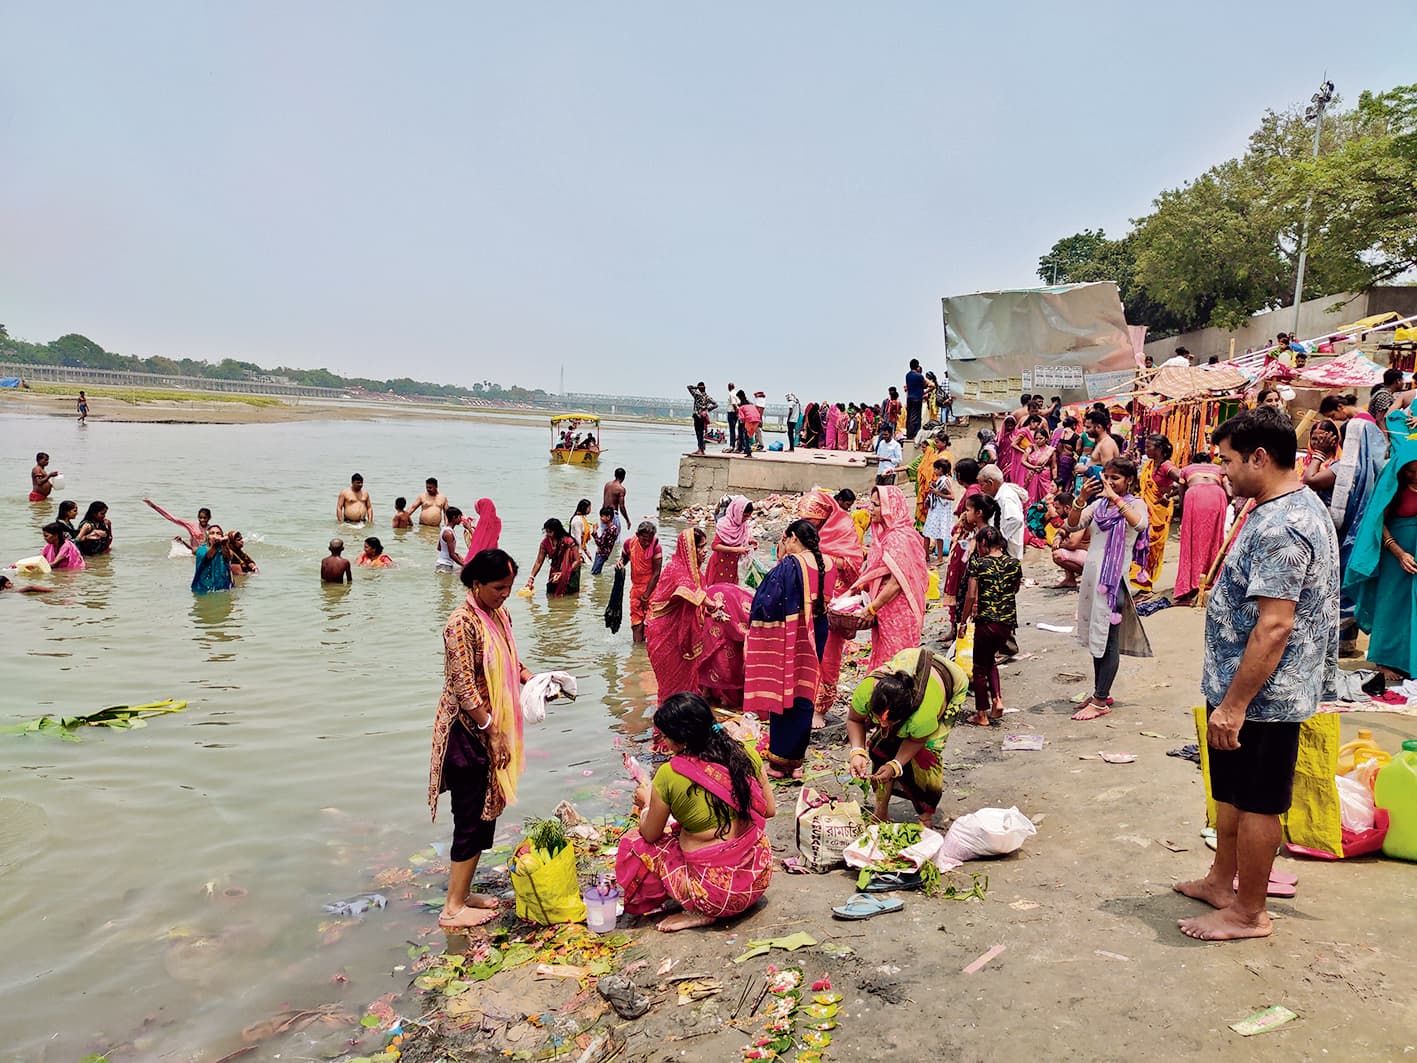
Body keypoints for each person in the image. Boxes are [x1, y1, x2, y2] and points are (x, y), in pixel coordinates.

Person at [1176, 408, 1338, 942]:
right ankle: (1222, 882)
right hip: (1240, 689)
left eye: (1227, 461)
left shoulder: (1286, 525)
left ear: (1259, 458)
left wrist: (1235, 704)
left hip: (1266, 696)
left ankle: (1249, 911)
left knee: (1257, 802)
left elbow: (1274, 627)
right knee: (1231, 794)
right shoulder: (1276, 507)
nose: (1221, 472)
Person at [429, 548, 534, 930]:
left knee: (487, 812)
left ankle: (464, 891)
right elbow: (464, 687)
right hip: (467, 731)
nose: (505, 594)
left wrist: (534, 680)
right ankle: (452, 908)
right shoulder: (461, 623)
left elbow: (511, 660)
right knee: (469, 813)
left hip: (494, 728)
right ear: (477, 584)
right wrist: (490, 730)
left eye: (508, 587)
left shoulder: (499, 615)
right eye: (498, 588)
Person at [617, 692, 775, 932]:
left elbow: (649, 834)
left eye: (666, 736)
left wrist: (646, 804)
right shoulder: (746, 754)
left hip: (716, 896)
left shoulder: (670, 774)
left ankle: (698, 908)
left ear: (681, 739)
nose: (665, 743)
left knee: (633, 843)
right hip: (757, 877)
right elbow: (770, 809)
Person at [744, 520, 834, 778]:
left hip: (793, 633)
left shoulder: (792, 565)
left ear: (793, 538)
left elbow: (767, 601)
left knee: (784, 691)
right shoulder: (827, 563)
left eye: (785, 540)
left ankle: (777, 763)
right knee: (806, 690)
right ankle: (796, 762)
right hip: (818, 630)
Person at [1067, 459, 1151, 720]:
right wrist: (1080, 498)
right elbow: (1073, 525)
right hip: (1093, 578)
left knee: (1108, 640)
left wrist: (1116, 498)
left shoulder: (1134, 504)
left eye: (1116, 477)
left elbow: (1140, 525)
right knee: (1097, 637)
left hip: (1114, 582)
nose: (1110, 481)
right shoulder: (1099, 505)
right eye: (1107, 476)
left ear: (1129, 480)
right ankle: (1099, 692)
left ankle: (1101, 701)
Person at [847, 648, 968, 826]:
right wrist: (857, 752)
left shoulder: (923, 715)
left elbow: (918, 741)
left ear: (905, 715)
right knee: (882, 748)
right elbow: (854, 720)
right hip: (909, 659)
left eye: (889, 721)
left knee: (926, 758)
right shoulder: (867, 691)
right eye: (877, 718)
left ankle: (925, 819)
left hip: (950, 680)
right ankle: (880, 812)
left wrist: (896, 764)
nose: (882, 725)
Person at [1344, 398, 1417, 686]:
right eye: (1410, 469)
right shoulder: (1394, 485)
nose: (1415, 473)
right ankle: (1387, 660)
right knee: (1392, 604)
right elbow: (1378, 522)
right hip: (1396, 552)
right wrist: (1398, 552)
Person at [1320, 393, 1388, 654]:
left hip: (1350, 529)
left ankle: (1339, 641)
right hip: (1362, 529)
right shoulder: (1375, 466)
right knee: (1349, 582)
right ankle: (1346, 642)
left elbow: (1313, 481)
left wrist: (1317, 454)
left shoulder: (1346, 468)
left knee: (1343, 582)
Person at [796, 489, 868, 727]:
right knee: (801, 652)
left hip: (835, 601)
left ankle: (820, 707)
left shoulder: (843, 527)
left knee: (828, 656)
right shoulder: (803, 533)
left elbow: (854, 563)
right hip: (805, 600)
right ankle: (799, 700)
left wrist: (821, 556)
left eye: (811, 521)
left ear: (823, 515)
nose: (808, 525)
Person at [848, 485, 928, 671]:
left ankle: (892, 699)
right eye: (871, 504)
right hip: (886, 610)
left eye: (876, 505)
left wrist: (871, 609)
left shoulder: (897, 538)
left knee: (895, 664)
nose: (871, 509)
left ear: (890, 508)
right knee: (885, 657)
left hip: (898, 611)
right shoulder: (888, 535)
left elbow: (895, 585)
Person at [960, 526, 1023, 726]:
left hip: (986, 622)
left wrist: (963, 621)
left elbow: (970, 595)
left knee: (979, 667)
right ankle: (997, 700)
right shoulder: (1013, 563)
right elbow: (1015, 588)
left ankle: (981, 713)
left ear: (984, 544)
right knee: (990, 660)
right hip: (1006, 623)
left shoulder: (978, 563)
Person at [645, 528, 708, 698]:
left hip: (681, 635)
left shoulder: (697, 574)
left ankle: (685, 721)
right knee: (671, 689)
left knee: (687, 684)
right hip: (665, 635)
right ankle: (666, 723)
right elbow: (688, 589)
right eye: (701, 547)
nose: (705, 551)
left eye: (705, 546)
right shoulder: (676, 568)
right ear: (689, 550)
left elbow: (696, 604)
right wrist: (712, 604)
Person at [1172, 454, 1229, 603]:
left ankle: (1189, 583)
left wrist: (1184, 510)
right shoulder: (1218, 469)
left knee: (1191, 540)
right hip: (1218, 495)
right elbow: (1229, 491)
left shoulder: (1186, 469)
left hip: (1195, 495)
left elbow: (1181, 492)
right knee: (1215, 540)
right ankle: (1211, 578)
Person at [1131, 435, 1181, 593]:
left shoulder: (1167, 466)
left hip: (1159, 512)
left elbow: (1182, 481)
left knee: (1152, 548)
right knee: (1141, 545)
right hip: (1145, 511)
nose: (1146, 450)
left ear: (1159, 449)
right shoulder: (1151, 464)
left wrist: (1169, 496)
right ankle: (1142, 582)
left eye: (1149, 447)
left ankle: (1147, 585)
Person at [618, 520, 664, 643]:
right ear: (637, 535)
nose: (647, 543)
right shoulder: (630, 543)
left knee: (651, 624)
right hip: (636, 589)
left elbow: (656, 574)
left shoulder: (656, 547)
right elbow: (624, 558)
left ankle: (648, 655)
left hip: (652, 589)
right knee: (636, 624)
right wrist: (621, 563)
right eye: (644, 539)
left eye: (650, 540)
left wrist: (646, 596)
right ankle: (637, 655)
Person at [977, 465, 1025, 560]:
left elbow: (1016, 520)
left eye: (982, 485)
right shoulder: (1001, 495)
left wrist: (999, 537)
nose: (981, 489)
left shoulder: (1006, 497)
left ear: (990, 483)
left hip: (1007, 550)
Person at [525, 518, 581, 596]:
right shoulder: (545, 543)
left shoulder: (569, 541)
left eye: (550, 532)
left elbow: (578, 560)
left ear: (557, 531)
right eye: (546, 531)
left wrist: (564, 573)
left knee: (570, 597)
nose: (547, 534)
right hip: (555, 572)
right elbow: (538, 562)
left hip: (571, 572)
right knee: (551, 595)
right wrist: (531, 578)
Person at [706, 495, 753, 585]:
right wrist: (737, 550)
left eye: (748, 516)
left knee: (730, 592)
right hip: (719, 565)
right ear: (737, 512)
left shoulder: (743, 526)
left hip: (732, 566)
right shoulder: (724, 525)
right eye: (745, 516)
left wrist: (750, 541)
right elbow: (715, 546)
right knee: (716, 593)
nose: (746, 519)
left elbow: (740, 540)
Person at [143, 499, 210, 553]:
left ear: (209, 518)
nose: (202, 520)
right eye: (200, 517)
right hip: (194, 554)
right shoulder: (192, 526)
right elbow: (171, 518)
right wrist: (153, 506)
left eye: (205, 518)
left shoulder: (212, 530)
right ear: (198, 517)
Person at [922, 458, 955, 565]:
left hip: (940, 511)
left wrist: (936, 492)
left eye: (935, 469)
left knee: (938, 534)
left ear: (940, 469)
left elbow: (951, 496)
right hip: (935, 509)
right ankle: (925, 555)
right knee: (927, 532)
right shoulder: (941, 479)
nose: (934, 471)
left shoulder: (945, 480)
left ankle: (939, 558)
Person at [1300, 420, 1339, 506]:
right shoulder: (1298, 462)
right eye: (1314, 438)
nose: (1318, 442)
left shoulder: (1336, 466)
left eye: (1323, 439)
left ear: (1334, 440)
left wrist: (1320, 452)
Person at [1020, 424, 1056, 507]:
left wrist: (1055, 479)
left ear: (1046, 439)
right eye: (1036, 438)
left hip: (1045, 477)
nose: (1038, 441)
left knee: (1046, 495)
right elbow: (1023, 461)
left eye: (1041, 438)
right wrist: (1034, 467)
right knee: (1031, 496)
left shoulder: (1051, 450)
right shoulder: (1031, 448)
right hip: (1031, 475)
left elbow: (1054, 466)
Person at [192, 525, 233, 593]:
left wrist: (224, 544)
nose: (215, 535)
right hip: (203, 589)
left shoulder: (223, 550)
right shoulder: (201, 550)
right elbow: (207, 557)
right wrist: (216, 544)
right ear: (208, 537)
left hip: (222, 588)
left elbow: (229, 557)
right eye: (212, 533)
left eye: (218, 533)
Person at [687, 382, 718, 455]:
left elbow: (689, 387)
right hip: (703, 416)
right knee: (701, 433)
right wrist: (708, 409)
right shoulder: (707, 397)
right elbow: (716, 404)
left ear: (700, 388)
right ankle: (701, 449)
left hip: (697, 416)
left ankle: (700, 449)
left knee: (698, 433)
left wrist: (696, 387)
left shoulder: (697, 395)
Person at [590, 505, 621, 576]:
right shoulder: (613, 528)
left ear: (608, 517)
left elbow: (600, 543)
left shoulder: (609, 530)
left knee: (595, 573)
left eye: (602, 516)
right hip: (604, 553)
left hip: (602, 554)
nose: (601, 518)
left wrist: (594, 531)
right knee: (595, 571)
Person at [436, 507, 466, 573]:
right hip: (445, 566)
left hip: (442, 564)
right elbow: (451, 554)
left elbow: (439, 548)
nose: (461, 519)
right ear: (454, 517)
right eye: (459, 517)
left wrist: (456, 554)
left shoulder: (444, 529)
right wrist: (464, 565)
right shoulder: (449, 533)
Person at [734, 391, 761, 457]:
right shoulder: (751, 405)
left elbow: (742, 418)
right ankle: (747, 450)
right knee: (749, 436)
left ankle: (749, 453)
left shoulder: (741, 408)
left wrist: (742, 425)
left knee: (746, 435)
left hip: (750, 419)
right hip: (757, 419)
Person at [904, 358, 926, 438]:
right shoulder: (919, 376)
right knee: (915, 418)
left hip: (909, 398)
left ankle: (909, 433)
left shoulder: (907, 375)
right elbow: (925, 385)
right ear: (917, 366)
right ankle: (913, 434)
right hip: (917, 398)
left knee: (909, 417)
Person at [725, 383, 740, 452]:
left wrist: (736, 412)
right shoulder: (737, 393)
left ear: (729, 387)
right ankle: (734, 445)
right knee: (735, 429)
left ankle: (732, 445)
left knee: (732, 430)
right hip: (736, 413)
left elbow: (734, 404)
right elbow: (738, 403)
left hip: (731, 413)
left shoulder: (731, 394)